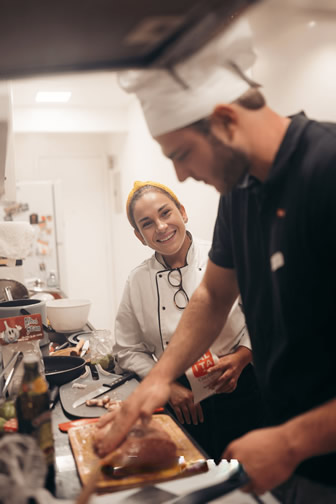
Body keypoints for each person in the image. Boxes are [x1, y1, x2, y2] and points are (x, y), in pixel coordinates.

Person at [94, 18, 336, 502]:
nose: (180, 176)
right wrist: (157, 381)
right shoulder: (241, 191)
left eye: (182, 153)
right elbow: (212, 293)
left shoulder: (326, 171)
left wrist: (291, 441)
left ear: (225, 119)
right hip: (285, 447)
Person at [113, 180, 262, 460]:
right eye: (147, 223)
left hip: (239, 383)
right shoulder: (137, 281)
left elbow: (262, 312)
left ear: (182, 212)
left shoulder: (223, 256)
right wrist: (168, 386)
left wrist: (243, 356)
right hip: (182, 401)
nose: (160, 227)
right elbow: (127, 350)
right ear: (139, 235)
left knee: (245, 477)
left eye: (166, 213)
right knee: (191, 474)